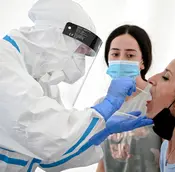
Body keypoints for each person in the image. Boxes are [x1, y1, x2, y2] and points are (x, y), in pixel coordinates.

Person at [0, 0, 153, 171]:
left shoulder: (43, 83)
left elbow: (51, 159)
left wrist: (100, 131)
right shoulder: (3, 62)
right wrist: (104, 110)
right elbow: (38, 130)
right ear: (55, 35)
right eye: (80, 51)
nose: (80, 65)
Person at [96, 25, 161, 172]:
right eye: (115, 54)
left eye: (130, 55)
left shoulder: (157, 99)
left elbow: (170, 157)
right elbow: (103, 161)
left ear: (142, 61)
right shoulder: (102, 105)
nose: (121, 60)